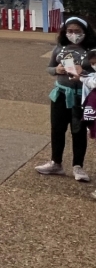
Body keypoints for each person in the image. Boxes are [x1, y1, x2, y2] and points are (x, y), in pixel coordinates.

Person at [35, 16, 95, 183]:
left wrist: (82, 72)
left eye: (77, 31)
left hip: (80, 97)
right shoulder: (59, 48)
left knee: (79, 131)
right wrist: (57, 69)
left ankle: (78, 166)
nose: (73, 34)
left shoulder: (91, 50)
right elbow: (49, 68)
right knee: (57, 129)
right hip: (60, 95)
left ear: (85, 32)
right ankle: (56, 163)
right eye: (70, 31)